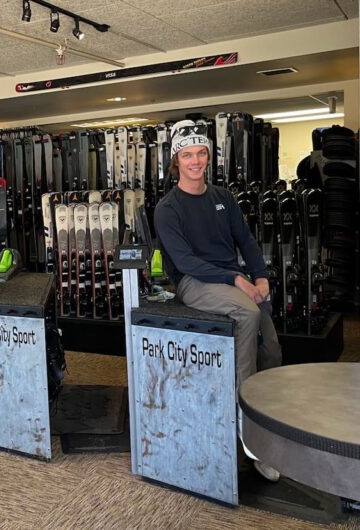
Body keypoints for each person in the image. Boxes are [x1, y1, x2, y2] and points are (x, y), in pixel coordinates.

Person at [154, 120, 283, 482]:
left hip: (231, 278)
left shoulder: (223, 197)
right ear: (176, 161)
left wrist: (260, 276)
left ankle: (270, 426)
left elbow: (246, 241)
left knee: (272, 349)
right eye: (187, 155)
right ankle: (249, 438)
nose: (195, 161)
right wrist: (238, 279)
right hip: (194, 282)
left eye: (201, 153)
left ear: (209, 157)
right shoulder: (168, 208)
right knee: (247, 314)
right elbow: (185, 262)